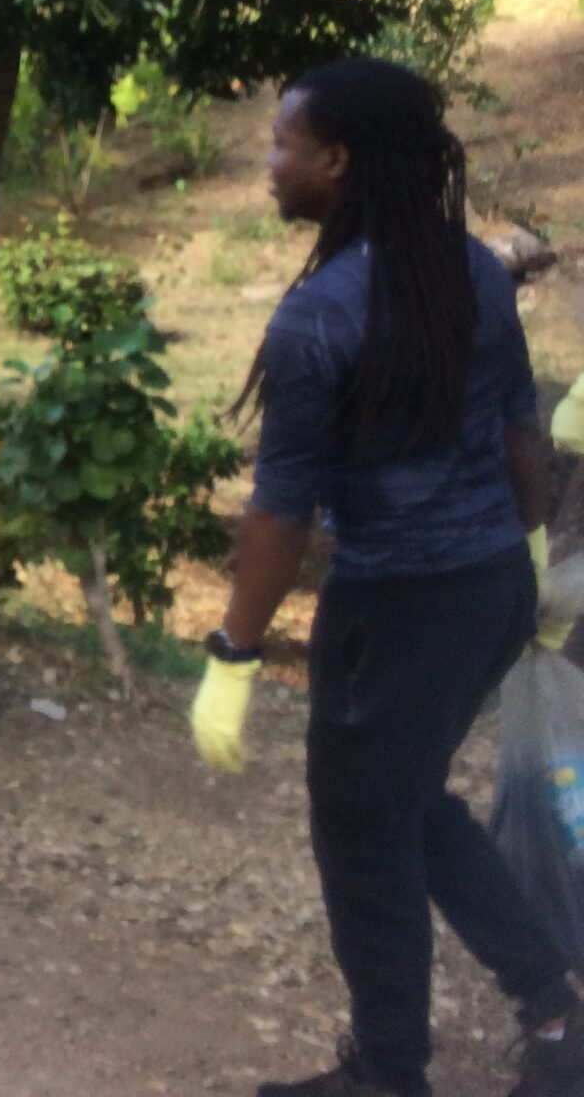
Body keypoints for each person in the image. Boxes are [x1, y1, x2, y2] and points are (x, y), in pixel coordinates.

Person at [192, 59, 584, 1097]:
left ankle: (388, 1073)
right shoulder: (470, 271)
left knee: (363, 837)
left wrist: (232, 654)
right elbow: (519, 436)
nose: (268, 162)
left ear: (337, 161)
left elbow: (280, 512)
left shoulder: (319, 317)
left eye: (282, 144)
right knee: (409, 806)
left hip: (396, 613)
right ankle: (552, 1013)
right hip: (488, 588)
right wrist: (528, 555)